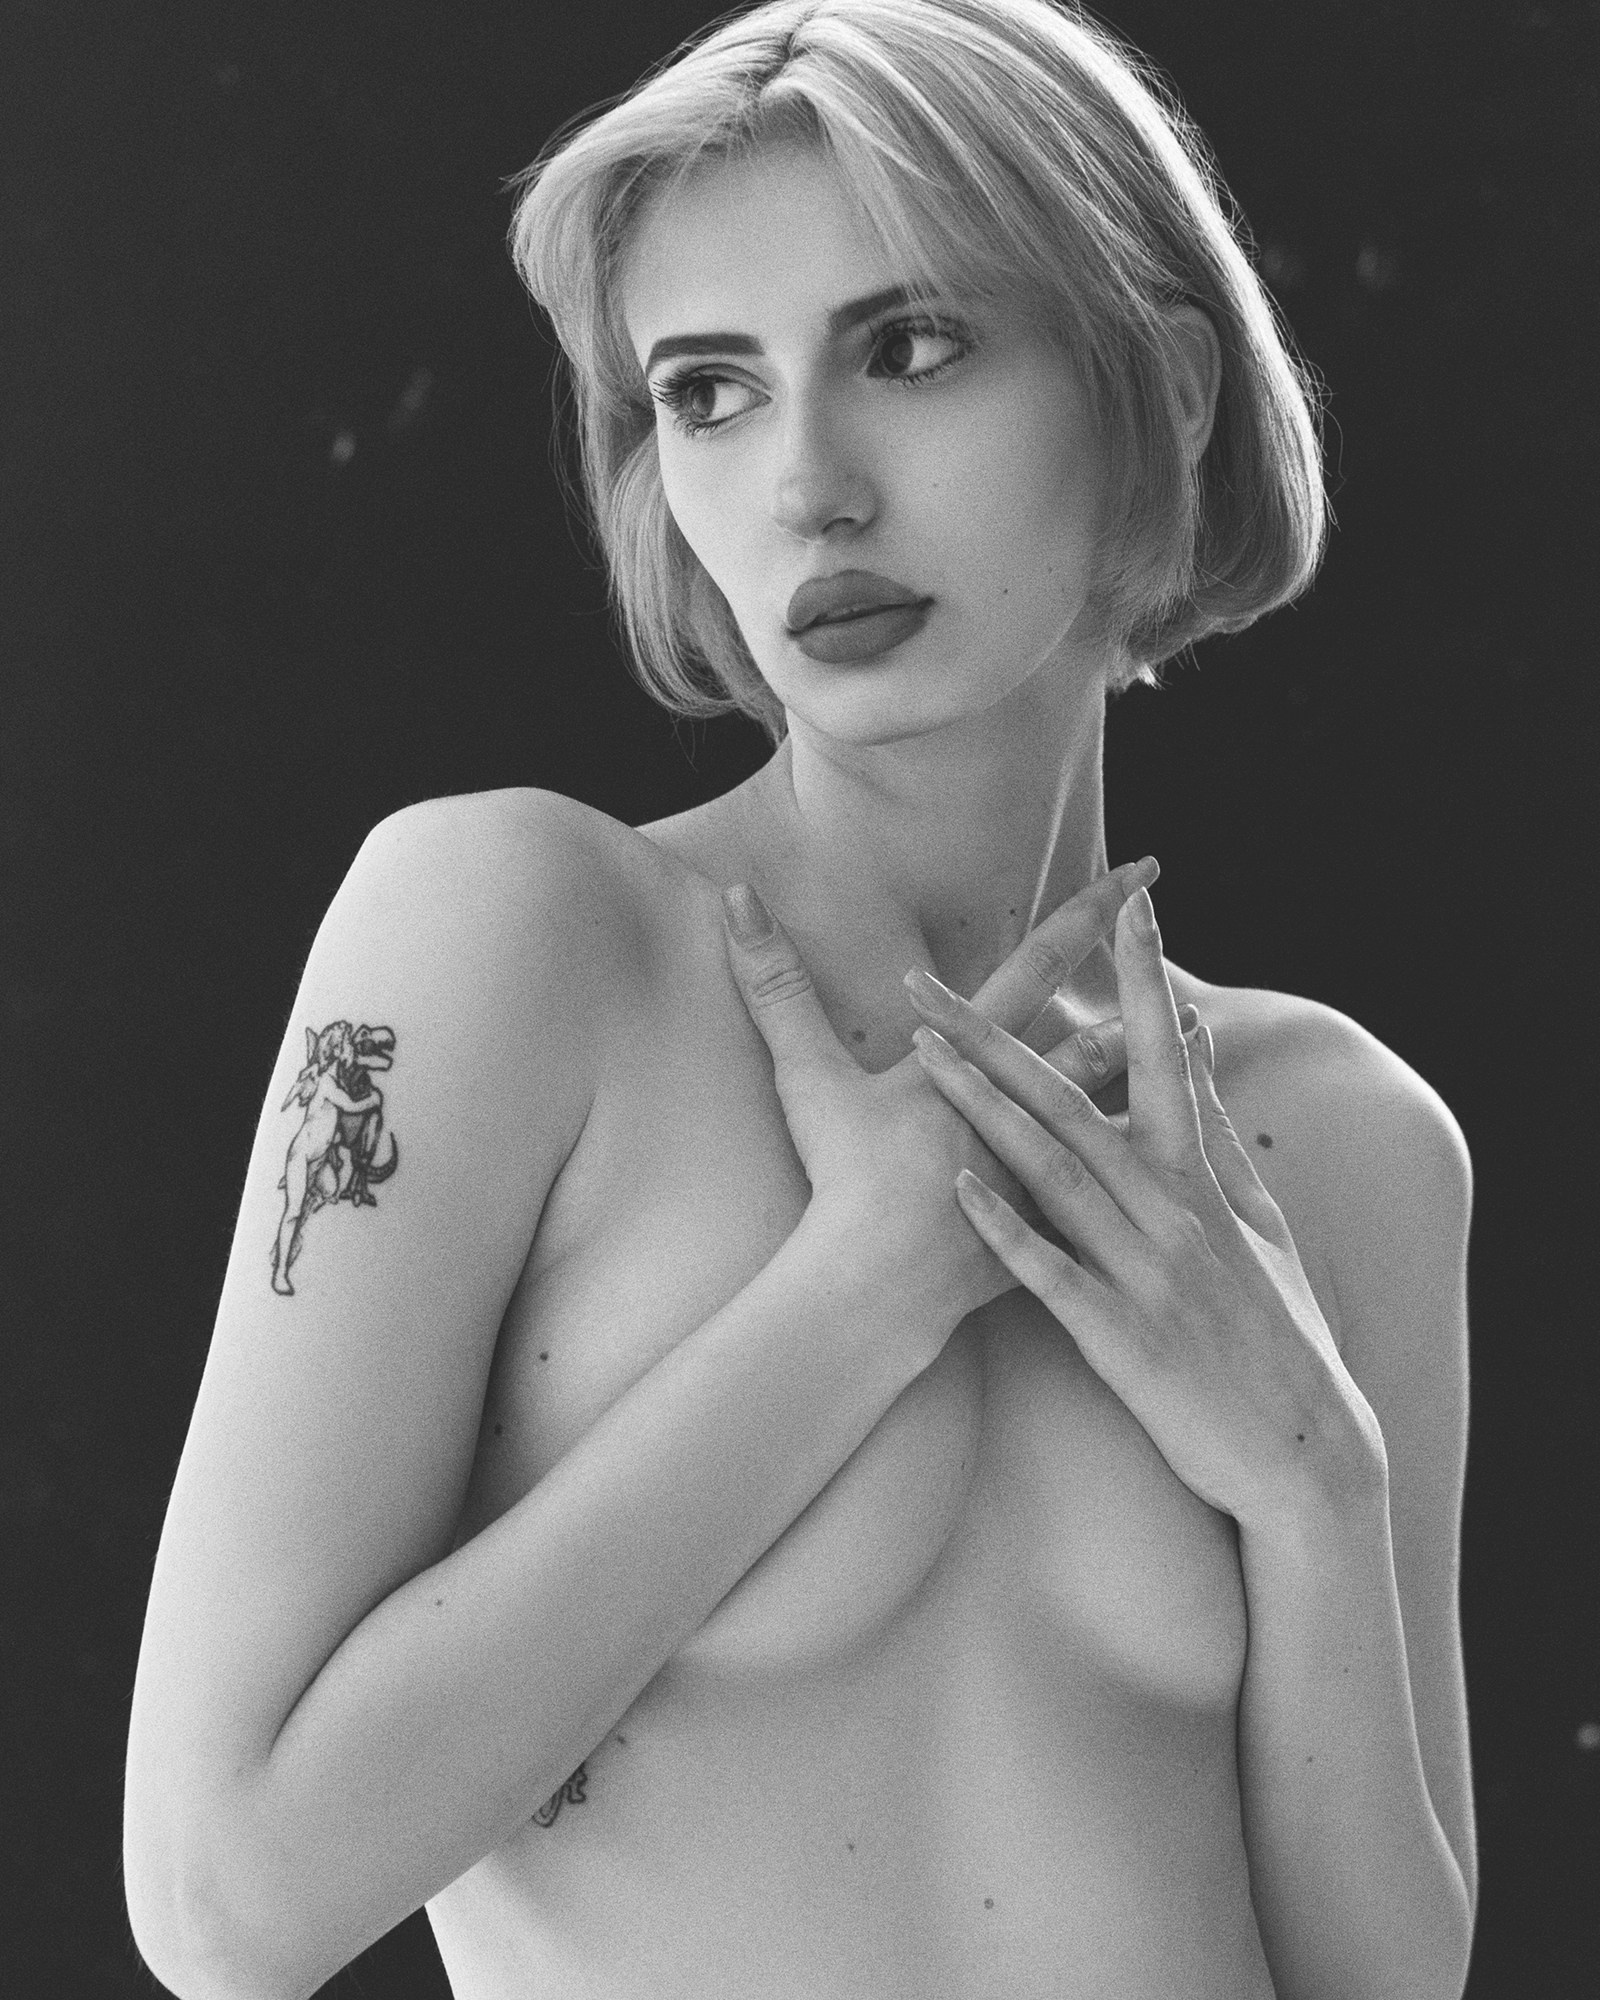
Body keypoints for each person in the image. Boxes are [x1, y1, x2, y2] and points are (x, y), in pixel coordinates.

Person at [123, 2, 1477, 1994]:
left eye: (909, 347)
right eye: (709, 391)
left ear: (1165, 393)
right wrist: (855, 1294)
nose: (807, 487)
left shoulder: (1343, 1138)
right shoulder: (516, 939)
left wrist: (1311, 1481)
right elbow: (225, 1905)